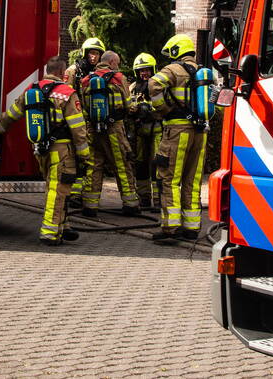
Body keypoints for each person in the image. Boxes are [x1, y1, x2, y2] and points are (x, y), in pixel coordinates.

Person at [0, 56, 90, 245]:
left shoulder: (31, 90)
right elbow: (78, 128)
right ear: (61, 73)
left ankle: (63, 226)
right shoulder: (67, 92)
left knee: (55, 189)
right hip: (62, 151)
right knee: (58, 190)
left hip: (40, 150)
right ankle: (50, 233)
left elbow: (12, 115)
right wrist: (85, 154)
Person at [148, 34, 206, 242]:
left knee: (168, 178)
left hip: (177, 130)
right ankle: (191, 228)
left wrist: (162, 109)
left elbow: (153, 84)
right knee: (193, 179)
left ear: (176, 51)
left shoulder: (173, 70)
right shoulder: (203, 72)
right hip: (201, 132)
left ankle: (170, 229)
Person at [80, 51, 139, 217]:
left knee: (93, 166)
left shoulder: (85, 80)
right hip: (114, 129)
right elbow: (128, 106)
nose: (118, 66)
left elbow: (84, 108)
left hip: (92, 129)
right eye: (117, 63)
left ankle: (90, 206)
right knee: (122, 164)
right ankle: (130, 204)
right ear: (112, 62)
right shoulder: (119, 78)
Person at [63, 38, 104, 207]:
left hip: (91, 123)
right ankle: (72, 194)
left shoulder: (98, 73)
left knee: (89, 158)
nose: (94, 57)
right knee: (76, 157)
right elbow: (65, 95)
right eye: (91, 53)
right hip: (76, 122)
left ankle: (81, 194)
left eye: (97, 54)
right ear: (85, 53)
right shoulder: (74, 71)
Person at [128, 53, 160, 209]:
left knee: (157, 164)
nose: (144, 73)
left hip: (157, 130)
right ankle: (144, 198)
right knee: (140, 165)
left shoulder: (159, 85)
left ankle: (159, 199)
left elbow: (165, 106)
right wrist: (133, 110)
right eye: (141, 71)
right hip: (140, 132)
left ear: (153, 70)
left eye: (147, 70)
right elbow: (128, 105)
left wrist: (150, 111)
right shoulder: (133, 88)